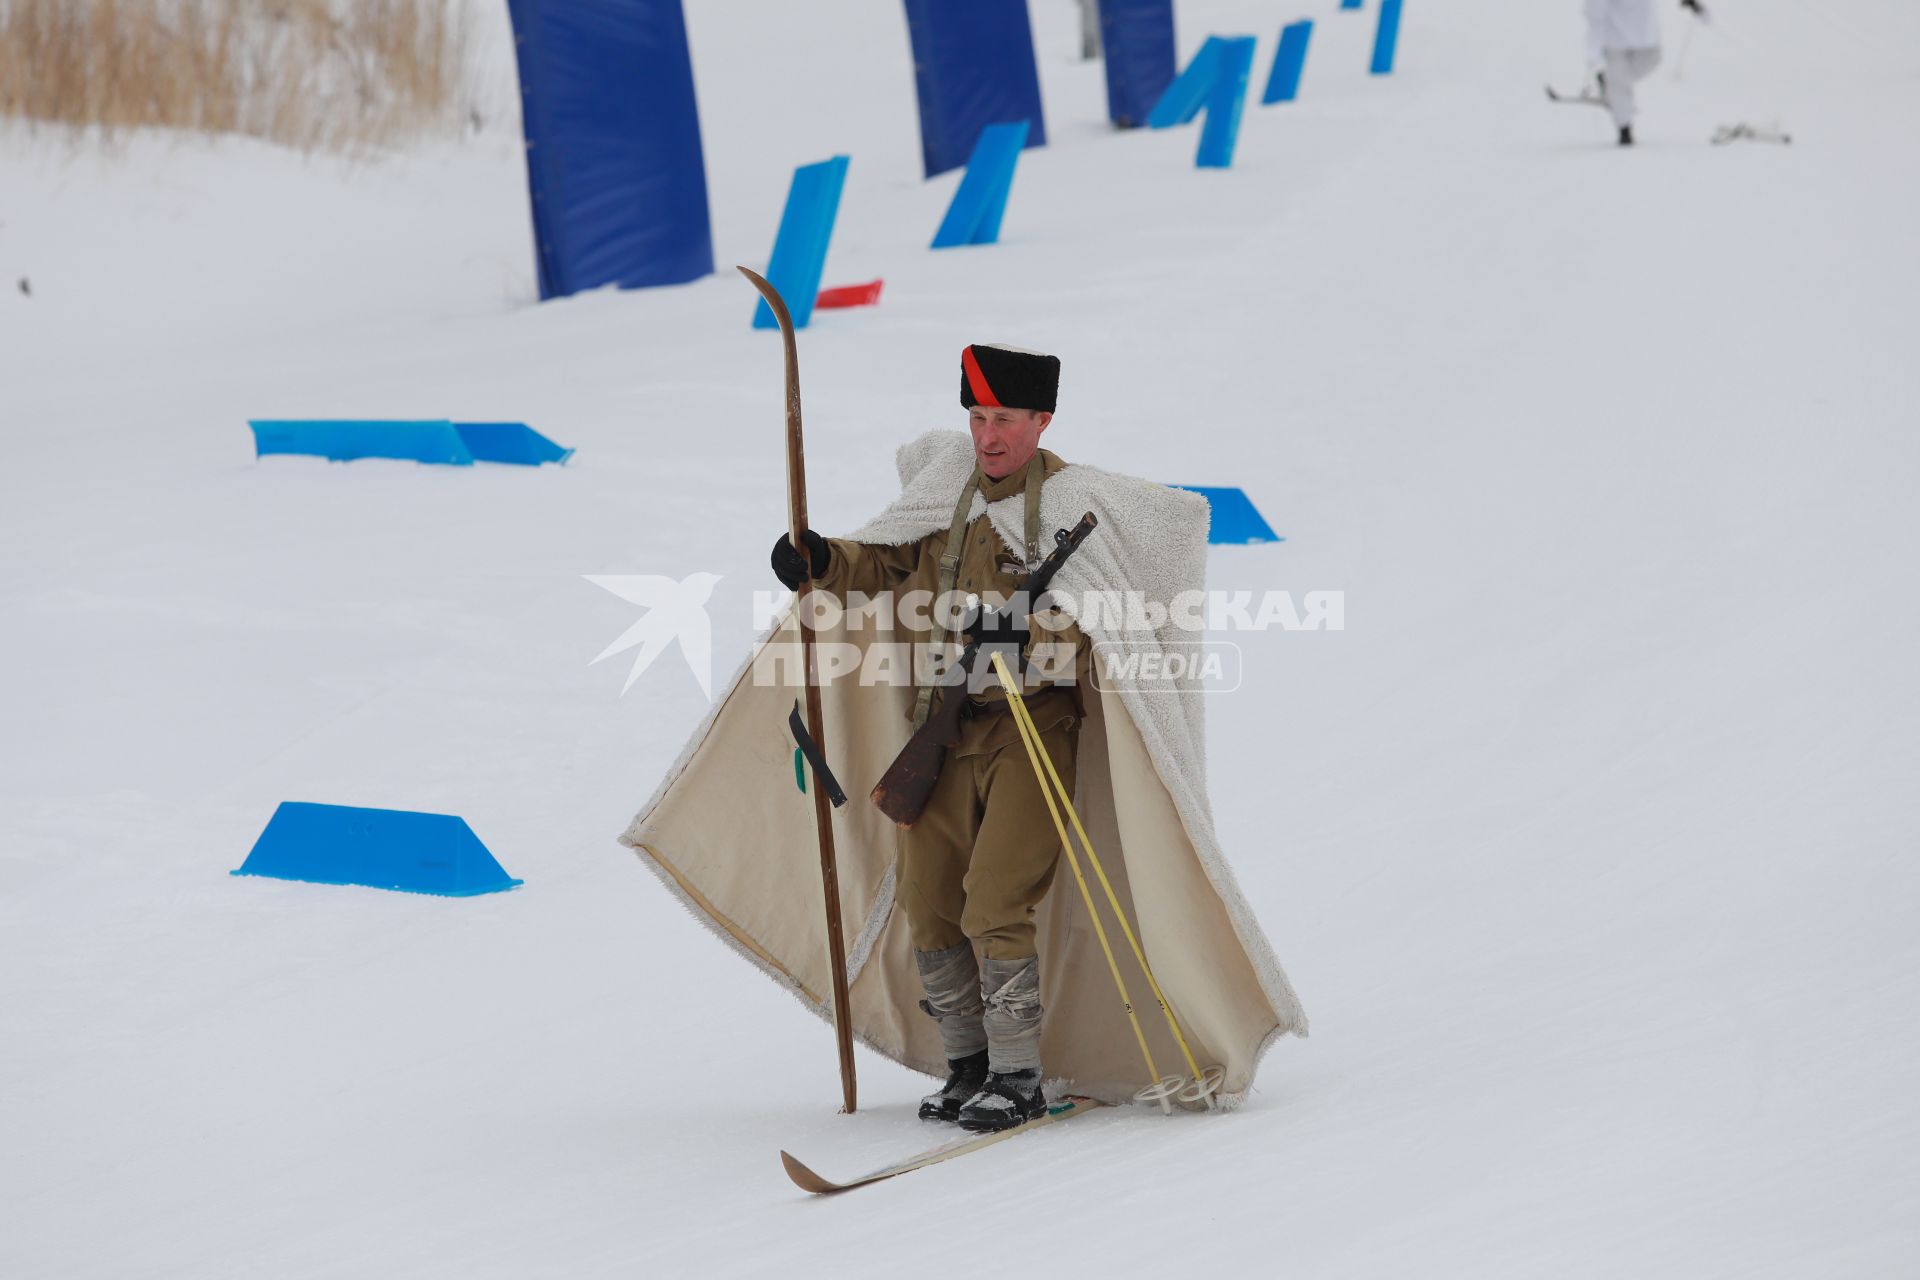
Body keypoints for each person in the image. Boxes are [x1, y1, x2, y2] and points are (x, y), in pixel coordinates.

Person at [771, 343, 1092, 1132]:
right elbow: (880, 565)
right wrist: (819, 559)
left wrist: (1032, 640)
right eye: (977, 416)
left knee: (995, 899)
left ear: (1040, 420)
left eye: (1005, 419)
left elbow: (1109, 625)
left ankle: (1019, 1075)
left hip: (1031, 725)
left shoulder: (1073, 506)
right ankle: (968, 1066)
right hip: (942, 727)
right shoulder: (946, 494)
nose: (987, 435)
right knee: (927, 899)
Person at [1585, 0, 1706, 146]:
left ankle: (1611, 88)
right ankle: (1624, 128)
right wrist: (1595, 58)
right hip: (1615, 40)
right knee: (1619, 81)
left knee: (1625, 79)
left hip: (1647, 39)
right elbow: (1594, 16)